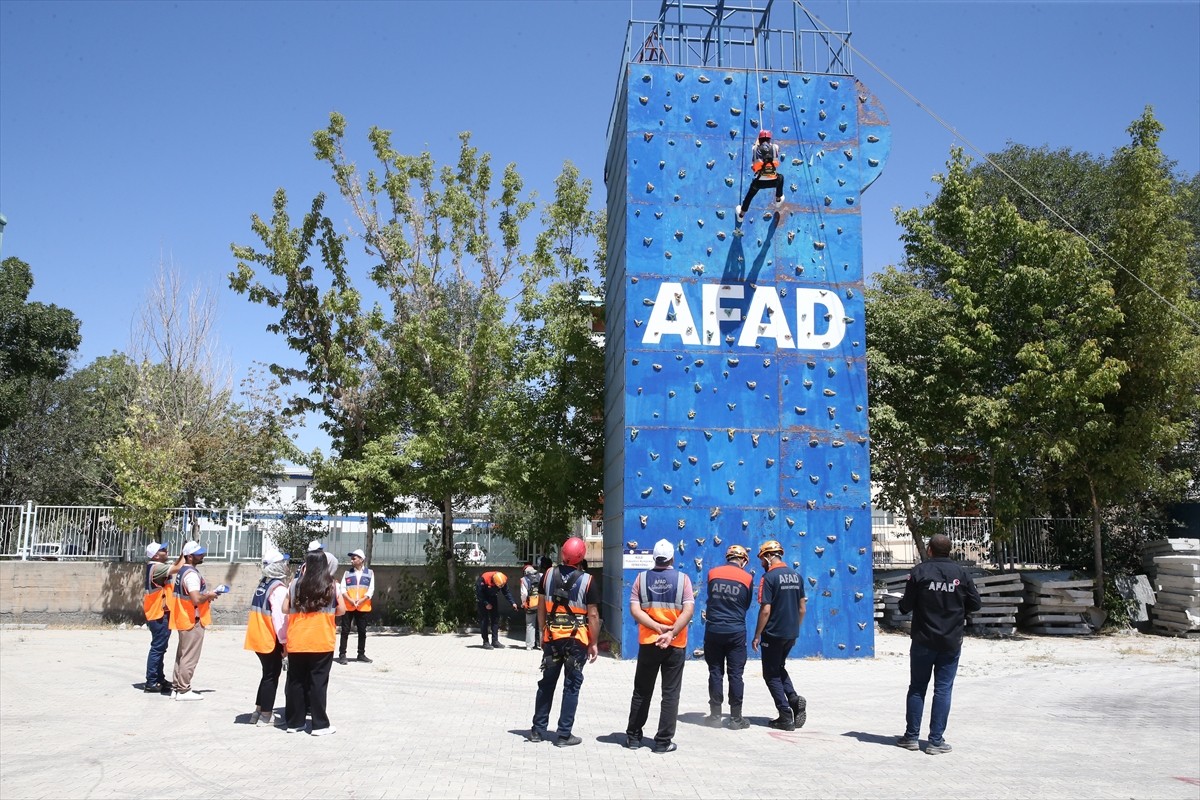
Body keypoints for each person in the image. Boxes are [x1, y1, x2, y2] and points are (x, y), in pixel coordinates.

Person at [896, 533, 982, 755]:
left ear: (929, 550)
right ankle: (935, 741)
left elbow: (905, 606)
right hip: (951, 641)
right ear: (949, 550)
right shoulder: (961, 573)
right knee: (943, 690)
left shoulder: (919, 572)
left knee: (917, 688)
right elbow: (976, 604)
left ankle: (911, 737)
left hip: (923, 639)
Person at [528, 537, 600, 747]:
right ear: (582, 556)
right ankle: (563, 735)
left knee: (547, 683)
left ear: (563, 553)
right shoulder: (588, 581)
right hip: (576, 641)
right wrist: (593, 642)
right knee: (571, 686)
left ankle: (537, 730)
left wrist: (543, 632)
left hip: (552, 638)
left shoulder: (548, 574)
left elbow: (541, 606)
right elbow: (593, 615)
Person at [625, 538, 695, 754]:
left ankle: (633, 737)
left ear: (654, 558)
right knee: (670, 693)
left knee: (642, 691)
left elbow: (635, 610)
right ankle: (663, 742)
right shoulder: (683, 580)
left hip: (649, 642)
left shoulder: (641, 579)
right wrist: (671, 632)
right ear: (672, 558)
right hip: (675, 644)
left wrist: (656, 628)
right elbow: (688, 610)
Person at [284, 550, 345, 735]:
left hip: (297, 640)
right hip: (321, 640)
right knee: (318, 682)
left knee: (296, 682)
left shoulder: (294, 584)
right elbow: (342, 610)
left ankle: (295, 723)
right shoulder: (332, 586)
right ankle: (320, 725)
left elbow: (284, 608)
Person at [751, 539, 806, 730]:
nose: (761, 563)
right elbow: (802, 609)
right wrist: (794, 629)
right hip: (791, 633)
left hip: (773, 634)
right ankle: (793, 699)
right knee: (779, 666)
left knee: (770, 674)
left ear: (768, 556)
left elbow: (765, 610)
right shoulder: (797, 576)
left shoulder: (769, 578)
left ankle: (785, 715)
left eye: (761, 559)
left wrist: (757, 634)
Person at [703, 544, 753, 729]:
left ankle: (715, 716)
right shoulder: (747, 578)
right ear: (743, 560)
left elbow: (710, 597)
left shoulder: (712, 573)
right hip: (736, 631)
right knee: (736, 674)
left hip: (713, 629)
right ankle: (735, 718)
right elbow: (746, 604)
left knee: (715, 672)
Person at [168, 541, 221, 701]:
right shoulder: (191, 575)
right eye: (199, 554)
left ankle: (176, 687)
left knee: (182, 655)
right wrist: (209, 595)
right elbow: (196, 599)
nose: (202, 555)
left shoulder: (183, 571)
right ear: (189, 557)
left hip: (184, 618)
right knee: (190, 657)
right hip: (192, 620)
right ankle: (184, 690)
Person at [244, 548, 290, 726]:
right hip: (269, 638)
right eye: (283, 563)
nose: (286, 565)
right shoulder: (278, 589)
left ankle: (257, 711)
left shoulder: (263, 584)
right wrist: (284, 643)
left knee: (266, 674)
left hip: (258, 636)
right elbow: (280, 619)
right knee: (271, 676)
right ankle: (266, 716)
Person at [141, 541, 183, 694]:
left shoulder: (156, 566)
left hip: (159, 613)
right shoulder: (157, 568)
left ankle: (159, 678)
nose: (167, 551)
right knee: (158, 648)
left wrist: (182, 554)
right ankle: (151, 681)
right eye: (163, 550)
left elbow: (175, 565)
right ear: (156, 555)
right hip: (158, 614)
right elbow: (178, 568)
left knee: (160, 648)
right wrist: (185, 553)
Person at [735, 129, 785, 222]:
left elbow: (755, 152)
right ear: (769, 139)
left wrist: (757, 142)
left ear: (759, 139)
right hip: (774, 181)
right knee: (781, 177)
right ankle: (778, 199)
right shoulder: (775, 147)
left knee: (749, 196)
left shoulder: (754, 149)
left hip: (759, 182)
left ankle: (741, 215)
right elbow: (776, 150)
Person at [337, 549, 374, 665]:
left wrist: (362, 600)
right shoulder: (347, 573)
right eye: (351, 558)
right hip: (349, 606)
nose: (351, 560)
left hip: (363, 606)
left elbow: (371, 590)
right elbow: (342, 588)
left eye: (354, 558)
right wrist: (350, 600)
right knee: (345, 631)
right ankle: (342, 655)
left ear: (361, 560)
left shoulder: (370, 573)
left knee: (362, 631)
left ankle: (361, 654)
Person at [476, 570, 517, 649]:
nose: (500, 588)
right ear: (493, 581)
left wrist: (512, 602)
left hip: (493, 597)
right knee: (484, 621)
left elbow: (506, 592)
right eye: (498, 586)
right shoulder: (483, 579)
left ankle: (495, 641)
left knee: (495, 619)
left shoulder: (502, 579)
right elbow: (479, 594)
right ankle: (485, 642)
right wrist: (486, 603)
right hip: (483, 599)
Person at [520, 563, 542, 650]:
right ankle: (542, 645)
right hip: (541, 603)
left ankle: (530, 645)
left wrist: (523, 602)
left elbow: (524, 593)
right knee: (542, 624)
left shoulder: (524, 579)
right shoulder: (541, 576)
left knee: (530, 624)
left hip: (531, 604)